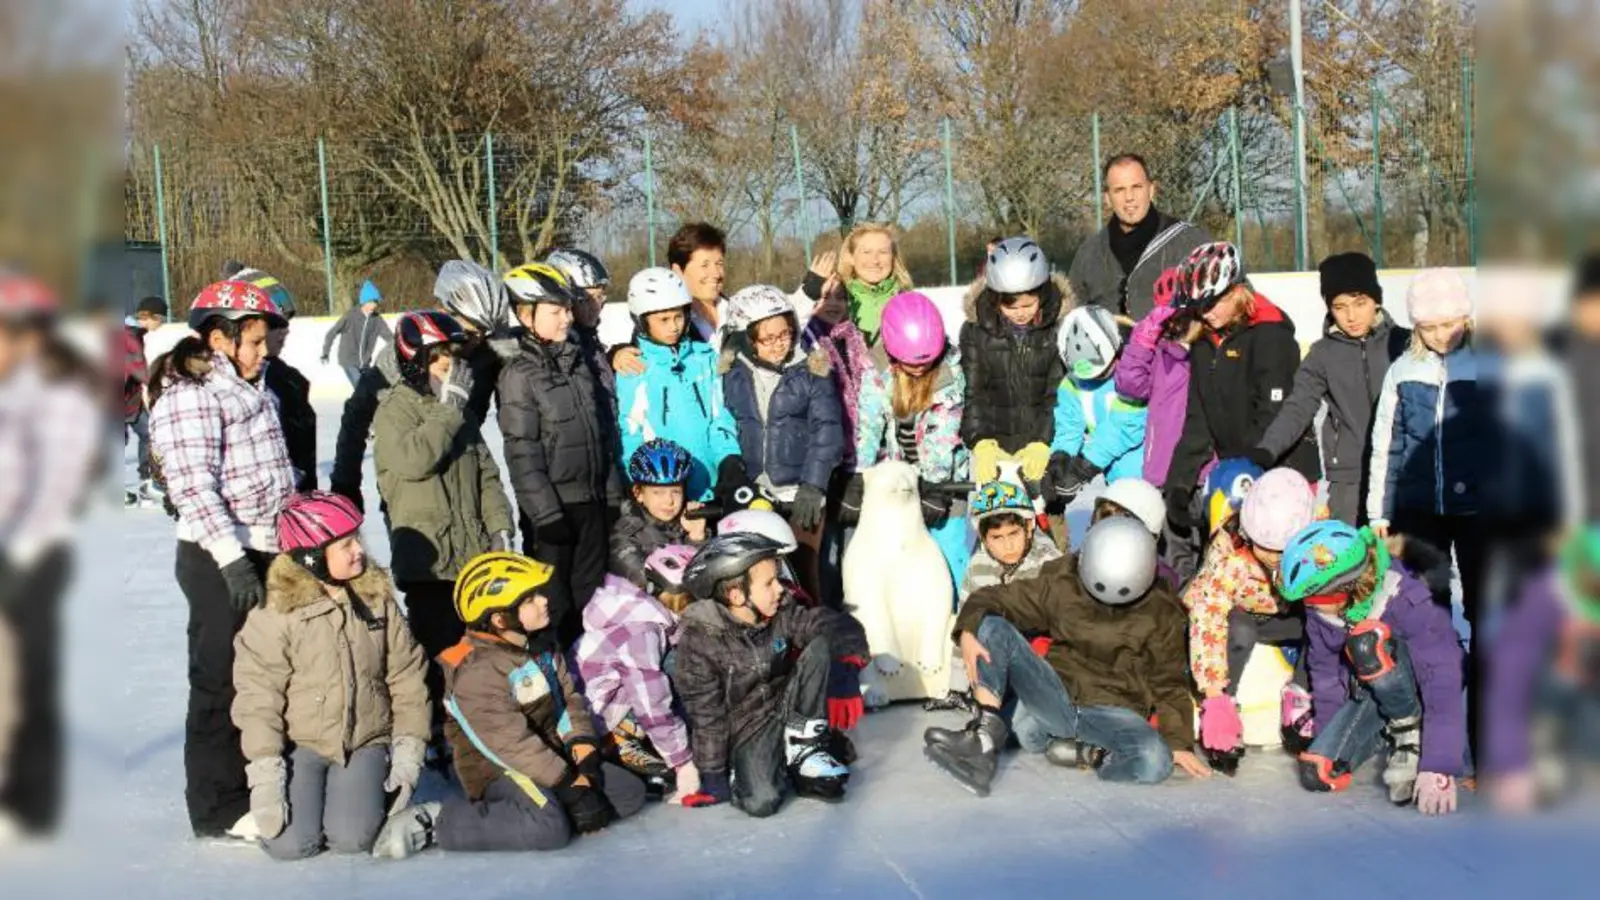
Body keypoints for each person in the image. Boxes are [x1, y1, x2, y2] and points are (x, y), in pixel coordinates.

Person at [147, 279, 295, 841]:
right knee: (221, 679)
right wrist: (233, 560)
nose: (262, 352)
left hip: (264, 546)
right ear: (219, 339)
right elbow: (193, 485)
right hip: (217, 555)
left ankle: (267, 781)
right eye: (253, 342)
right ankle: (217, 806)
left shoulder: (250, 387)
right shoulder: (191, 395)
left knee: (266, 674)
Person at [924, 516, 1205, 796]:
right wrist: (967, 631)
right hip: (1054, 698)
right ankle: (984, 737)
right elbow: (991, 598)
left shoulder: (1161, 611)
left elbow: (1169, 683)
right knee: (992, 624)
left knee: (1155, 762)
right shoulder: (1063, 584)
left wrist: (1177, 742)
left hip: (1114, 713)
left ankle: (1091, 754)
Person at [232, 492, 429, 860]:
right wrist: (266, 772)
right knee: (290, 845)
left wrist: (408, 750)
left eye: (358, 539)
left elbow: (406, 676)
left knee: (353, 838)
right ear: (312, 556)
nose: (359, 550)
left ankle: (393, 806)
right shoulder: (275, 613)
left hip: (364, 739)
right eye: (346, 544)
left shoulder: (377, 599)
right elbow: (258, 696)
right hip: (303, 743)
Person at [415, 552, 647, 855]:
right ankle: (442, 822)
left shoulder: (541, 645)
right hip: (498, 768)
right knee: (548, 828)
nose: (543, 601)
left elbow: (569, 700)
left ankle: (555, 803)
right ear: (501, 619)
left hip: (548, 755)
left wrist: (582, 747)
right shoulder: (478, 671)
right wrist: (568, 784)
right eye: (530, 599)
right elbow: (511, 745)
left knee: (629, 793)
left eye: (539, 593)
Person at [372, 311, 514, 763]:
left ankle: (477, 729)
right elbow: (414, 461)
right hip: (429, 560)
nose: (448, 368)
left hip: (472, 554)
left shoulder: (458, 409)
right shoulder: (395, 410)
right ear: (415, 363)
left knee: (477, 651)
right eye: (437, 359)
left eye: (452, 358)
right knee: (439, 651)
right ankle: (434, 732)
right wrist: (449, 410)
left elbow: (486, 473)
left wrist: (499, 524)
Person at [0, 271, 104, 838]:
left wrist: (18, 557)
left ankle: (28, 799)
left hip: (34, 556)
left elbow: (57, 488)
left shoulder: (61, 393)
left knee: (28, 677)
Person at [1277, 521, 1467, 815]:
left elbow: (1442, 675)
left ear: (1346, 587)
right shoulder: (1320, 613)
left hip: (1423, 681)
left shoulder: (1405, 595)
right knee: (1319, 772)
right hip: (1371, 688)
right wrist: (1332, 737)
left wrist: (1439, 764)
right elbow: (1326, 676)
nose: (1308, 606)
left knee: (1366, 643)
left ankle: (1409, 731)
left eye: (1314, 597)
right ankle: (1392, 729)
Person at [674, 533, 869, 816]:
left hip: (787, 704)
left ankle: (806, 746)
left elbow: (829, 623)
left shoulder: (782, 613)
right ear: (736, 595)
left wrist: (845, 671)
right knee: (761, 802)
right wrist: (713, 778)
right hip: (748, 728)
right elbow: (707, 718)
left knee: (820, 644)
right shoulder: (700, 643)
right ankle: (778, 761)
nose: (780, 588)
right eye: (769, 583)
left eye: (777, 579)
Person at [1166, 242, 1320, 565]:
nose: (1205, 313)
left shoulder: (1271, 336)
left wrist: (1242, 469)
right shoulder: (1205, 343)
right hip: (1235, 476)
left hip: (1282, 471)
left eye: (1212, 303)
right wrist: (1179, 483)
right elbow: (1198, 420)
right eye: (1198, 307)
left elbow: (1274, 414)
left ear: (1236, 291)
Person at [498, 263, 623, 646]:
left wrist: (612, 494)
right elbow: (522, 452)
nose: (567, 318)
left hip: (592, 502)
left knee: (592, 601)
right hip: (556, 511)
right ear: (526, 316)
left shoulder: (578, 361)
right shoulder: (519, 374)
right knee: (555, 606)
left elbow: (601, 432)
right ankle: (555, 672)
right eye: (555, 311)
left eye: (568, 309)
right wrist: (546, 515)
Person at [330, 260, 513, 510]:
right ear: (443, 311)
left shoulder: (485, 354)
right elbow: (356, 417)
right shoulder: (401, 357)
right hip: (413, 495)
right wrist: (346, 488)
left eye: (484, 334)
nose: (475, 342)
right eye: (469, 333)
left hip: (465, 486)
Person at [1248, 252, 1408, 525]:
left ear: (1376, 300)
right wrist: (1267, 449)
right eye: (1340, 306)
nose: (1351, 316)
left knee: (1410, 551)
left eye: (1360, 303)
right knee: (1352, 551)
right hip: (1349, 480)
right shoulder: (1322, 355)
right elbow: (1298, 407)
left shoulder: (1403, 344)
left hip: (1404, 473)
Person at [1367, 269, 1486, 628]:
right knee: (1429, 599)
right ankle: (1440, 660)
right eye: (1429, 327)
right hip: (1420, 508)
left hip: (1478, 509)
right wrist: (1379, 513)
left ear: (1465, 318)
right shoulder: (1403, 371)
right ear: (1416, 326)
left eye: (1449, 324)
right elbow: (1386, 445)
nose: (1441, 335)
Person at [1182, 466, 1318, 773]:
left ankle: (1299, 693)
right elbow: (1209, 616)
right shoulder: (1229, 556)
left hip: (1286, 617)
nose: (1274, 558)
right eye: (1265, 548)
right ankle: (1223, 708)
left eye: (1282, 552)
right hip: (1239, 617)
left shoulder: (1316, 545)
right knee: (1239, 629)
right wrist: (1214, 694)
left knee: (1321, 619)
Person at [720, 285, 844, 604]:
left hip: (799, 492)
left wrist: (813, 485)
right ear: (747, 339)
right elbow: (727, 423)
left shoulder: (813, 369)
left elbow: (828, 430)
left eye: (785, 334)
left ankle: (811, 625)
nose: (779, 344)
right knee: (758, 577)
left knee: (803, 572)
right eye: (768, 338)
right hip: (755, 493)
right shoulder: (733, 372)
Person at [853, 291, 972, 587]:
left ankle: (957, 609)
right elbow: (868, 426)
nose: (920, 368)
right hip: (897, 483)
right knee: (900, 564)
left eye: (927, 362)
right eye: (911, 363)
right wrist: (859, 475)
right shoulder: (877, 370)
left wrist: (935, 488)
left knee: (948, 557)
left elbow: (942, 434)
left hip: (944, 483)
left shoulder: (948, 373)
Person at [575, 545, 701, 799]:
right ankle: (621, 741)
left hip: (611, 702)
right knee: (675, 668)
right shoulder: (640, 632)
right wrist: (682, 762)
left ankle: (654, 742)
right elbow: (650, 699)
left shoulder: (641, 611)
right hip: (600, 719)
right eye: (694, 600)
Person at [615, 267, 743, 504]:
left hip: (712, 484)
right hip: (665, 491)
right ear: (642, 322)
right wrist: (637, 481)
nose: (674, 326)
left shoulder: (705, 358)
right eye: (663, 320)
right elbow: (630, 431)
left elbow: (720, 417)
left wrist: (729, 459)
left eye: (679, 316)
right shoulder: (635, 367)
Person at [960, 237, 1072, 487]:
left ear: (1042, 293)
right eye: (1010, 307)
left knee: (1046, 510)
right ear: (995, 299)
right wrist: (980, 440)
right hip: (996, 451)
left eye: (1028, 305)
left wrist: (1043, 441)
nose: (1020, 313)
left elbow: (1058, 394)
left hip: (1042, 450)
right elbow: (973, 393)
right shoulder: (975, 332)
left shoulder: (1058, 330)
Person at [1067, 153, 1211, 320]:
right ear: (1107, 198)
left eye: (1136, 187)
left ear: (1151, 190)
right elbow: (1072, 318)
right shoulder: (1089, 253)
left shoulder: (1189, 242)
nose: (1129, 197)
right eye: (1119, 190)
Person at [1044, 305, 1147, 507]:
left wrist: (1083, 468)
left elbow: (1126, 427)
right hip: (1116, 480)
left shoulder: (1134, 375)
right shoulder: (1072, 384)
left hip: (1151, 476)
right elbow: (1069, 427)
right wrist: (1060, 458)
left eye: (1102, 373)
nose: (1095, 380)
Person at [235, 267, 318, 492]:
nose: (285, 331)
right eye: (275, 324)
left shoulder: (292, 382)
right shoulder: (211, 385)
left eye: (287, 322)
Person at [610, 439, 710, 589]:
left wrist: (696, 538)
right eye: (658, 492)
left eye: (676, 491)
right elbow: (661, 589)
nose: (669, 501)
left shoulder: (686, 522)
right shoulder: (626, 535)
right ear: (638, 493)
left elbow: (711, 576)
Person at [803, 223, 914, 345]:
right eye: (866, 252)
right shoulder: (835, 299)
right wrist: (808, 295)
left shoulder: (909, 302)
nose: (875, 260)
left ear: (893, 257)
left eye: (883, 252)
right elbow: (798, 338)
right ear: (851, 257)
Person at [960, 480, 1061, 605]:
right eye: (997, 538)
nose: (1008, 546)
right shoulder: (977, 567)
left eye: (1013, 534)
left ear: (1029, 527)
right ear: (984, 538)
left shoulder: (1051, 567)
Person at [125, 295, 167, 504]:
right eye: (162, 320)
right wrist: (155, 383)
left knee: (149, 434)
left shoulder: (140, 334)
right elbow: (137, 367)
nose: (162, 325)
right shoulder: (130, 336)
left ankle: (147, 480)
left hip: (131, 400)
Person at [320, 279, 391, 387]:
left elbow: (389, 337)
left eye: (376, 302)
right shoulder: (351, 316)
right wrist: (325, 352)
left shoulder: (377, 320)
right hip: (349, 360)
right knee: (360, 386)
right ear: (364, 301)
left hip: (365, 363)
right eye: (371, 302)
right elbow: (332, 333)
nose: (374, 305)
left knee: (371, 389)